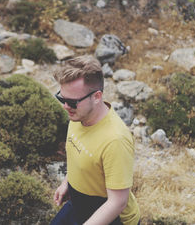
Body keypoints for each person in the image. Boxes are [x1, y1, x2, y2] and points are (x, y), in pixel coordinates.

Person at [50, 55, 140, 225]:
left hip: (111, 217)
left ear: (97, 96)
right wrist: (67, 182)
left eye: (72, 102)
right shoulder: (78, 115)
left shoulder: (115, 140)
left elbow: (117, 202)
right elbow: (81, 154)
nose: (65, 107)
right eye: (62, 98)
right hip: (78, 204)